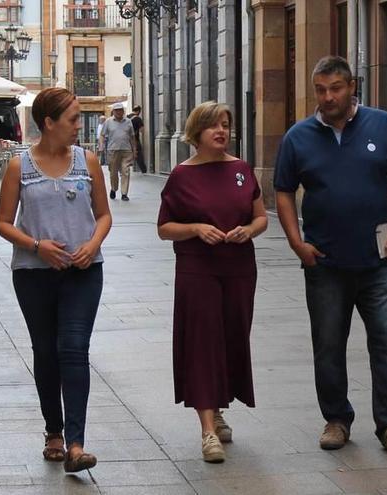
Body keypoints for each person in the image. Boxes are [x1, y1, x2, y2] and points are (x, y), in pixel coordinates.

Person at [274, 55, 387, 455]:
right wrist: (295, 241)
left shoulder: (382, 125)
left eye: (335, 88)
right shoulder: (298, 137)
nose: (328, 96)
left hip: (379, 258)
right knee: (329, 343)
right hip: (325, 262)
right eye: (320, 90)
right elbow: (283, 189)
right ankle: (336, 419)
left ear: (352, 86)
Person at [0, 87, 111, 473]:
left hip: (83, 271)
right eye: (73, 119)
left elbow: (104, 215)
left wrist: (92, 245)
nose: (79, 126)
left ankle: (76, 444)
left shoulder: (87, 161)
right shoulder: (19, 167)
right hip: (34, 274)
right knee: (46, 352)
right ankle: (54, 433)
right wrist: (37, 245)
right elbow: (2, 224)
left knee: (74, 349)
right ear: (49, 123)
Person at [157, 101, 267, 463]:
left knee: (232, 338)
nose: (221, 131)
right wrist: (195, 229)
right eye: (213, 126)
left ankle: (218, 409)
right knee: (203, 343)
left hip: (238, 268)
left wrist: (248, 230)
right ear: (196, 132)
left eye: (225, 124)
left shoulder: (241, 169)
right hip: (197, 270)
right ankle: (207, 431)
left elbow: (261, 217)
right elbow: (164, 228)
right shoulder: (181, 175)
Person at [100, 102, 136, 201]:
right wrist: (101, 146)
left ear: (123, 111)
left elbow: (132, 137)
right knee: (113, 172)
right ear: (113, 111)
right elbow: (102, 135)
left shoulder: (128, 122)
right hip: (113, 150)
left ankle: (124, 193)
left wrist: (134, 150)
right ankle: (113, 188)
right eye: (117, 110)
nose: (119, 112)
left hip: (126, 150)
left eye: (121, 110)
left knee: (126, 171)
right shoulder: (108, 122)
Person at [130, 105, 146, 173]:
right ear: (139, 111)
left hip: (126, 140)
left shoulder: (128, 117)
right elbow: (142, 130)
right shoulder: (138, 119)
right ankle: (143, 170)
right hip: (135, 140)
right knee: (138, 154)